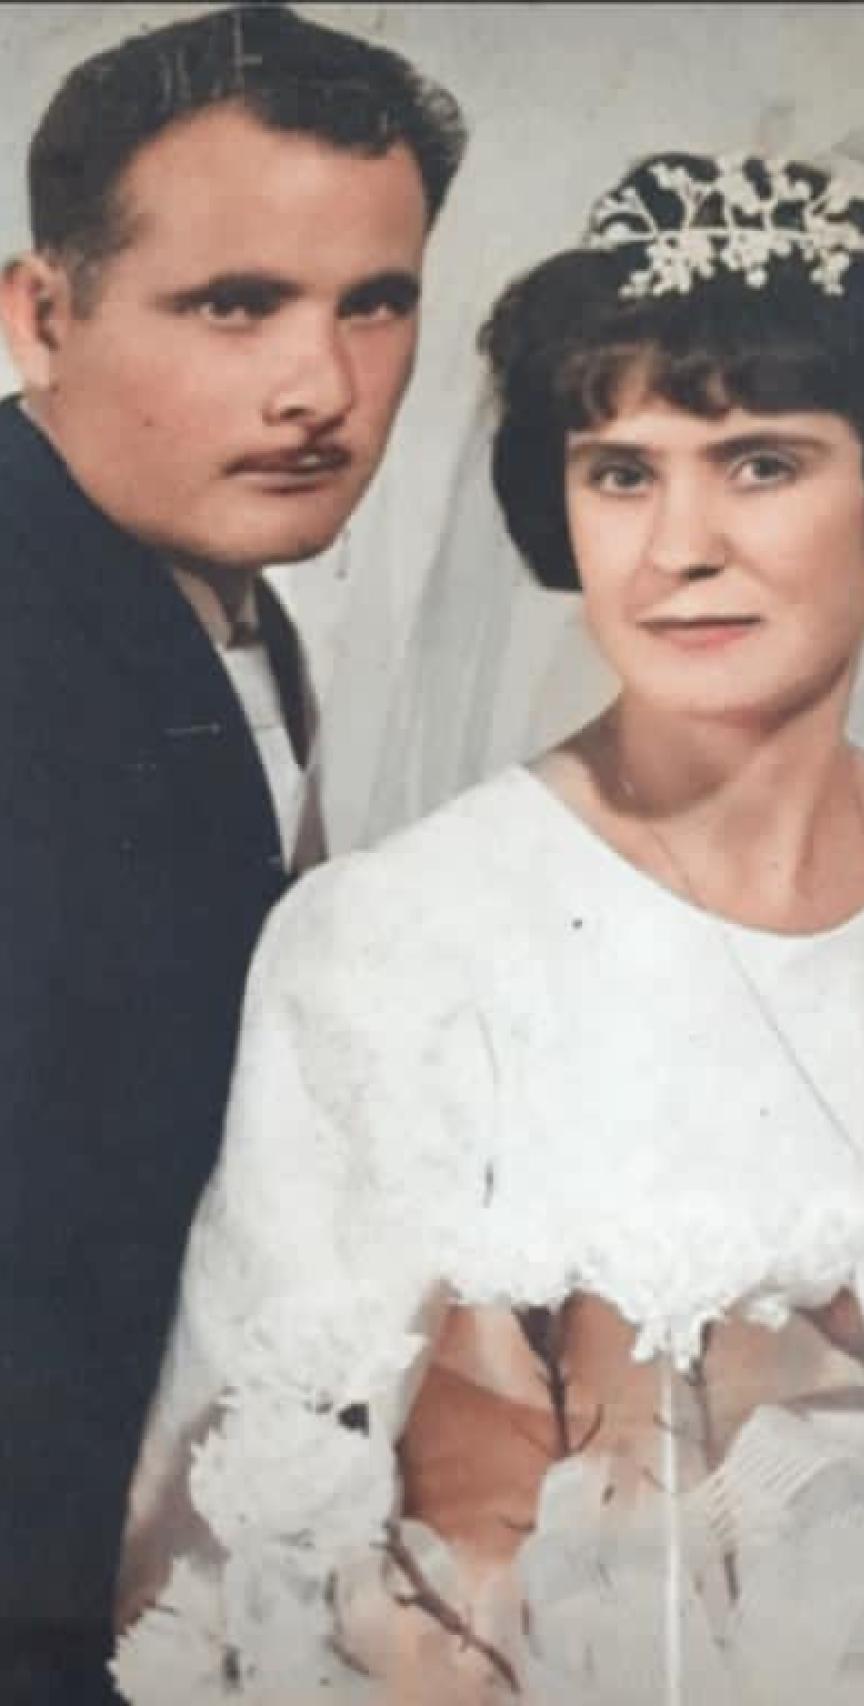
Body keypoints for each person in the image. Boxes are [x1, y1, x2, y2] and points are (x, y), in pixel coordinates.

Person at [116, 152, 864, 1703]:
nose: (678, 543)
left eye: (762, 463)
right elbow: (237, 1568)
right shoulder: (394, 945)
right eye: (622, 471)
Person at [0, 6, 465, 1701]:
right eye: (234, 304)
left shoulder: (229, 607)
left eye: (377, 303)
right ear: (40, 313)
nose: (319, 389)